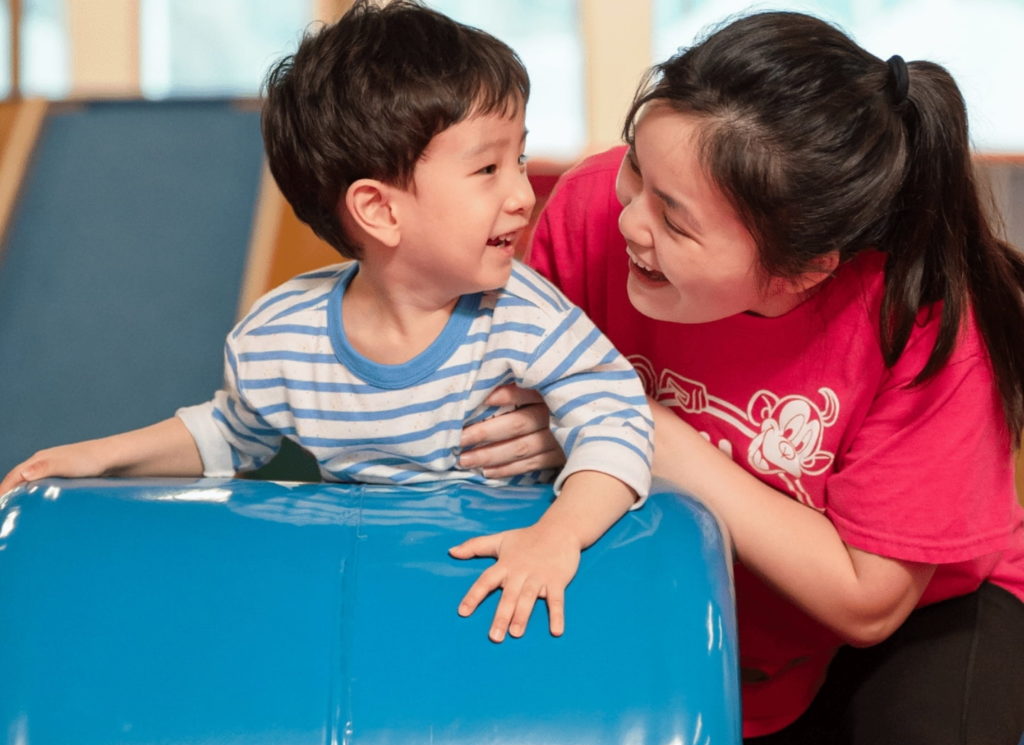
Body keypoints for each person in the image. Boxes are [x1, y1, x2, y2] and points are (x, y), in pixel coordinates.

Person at [459, 11, 1024, 745]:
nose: (628, 220)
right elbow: (520, 408)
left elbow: (868, 601)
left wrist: (645, 430)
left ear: (801, 271)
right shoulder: (595, 210)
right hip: (719, 599)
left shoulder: (919, 317)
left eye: (675, 220)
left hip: (915, 611)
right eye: (638, 174)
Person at [0, 0, 653, 645]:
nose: (520, 192)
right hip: (375, 587)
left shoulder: (524, 316)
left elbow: (617, 422)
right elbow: (232, 434)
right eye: (488, 168)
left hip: (503, 583)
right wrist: (102, 455)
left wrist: (558, 535)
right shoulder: (284, 335)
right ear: (379, 211)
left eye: (520, 159)